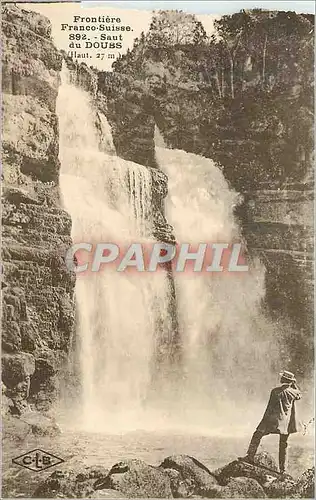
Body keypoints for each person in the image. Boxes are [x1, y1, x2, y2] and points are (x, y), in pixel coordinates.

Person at [240, 370, 302, 474]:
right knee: (283, 444)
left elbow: (270, 408)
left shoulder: (275, 391)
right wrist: (294, 385)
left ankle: (250, 456)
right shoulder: (294, 392)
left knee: (257, 434)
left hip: (274, 421)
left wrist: (263, 423)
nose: (280, 378)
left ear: (283, 380)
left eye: (282, 377)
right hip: (285, 424)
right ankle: (283, 470)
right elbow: (299, 394)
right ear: (291, 381)